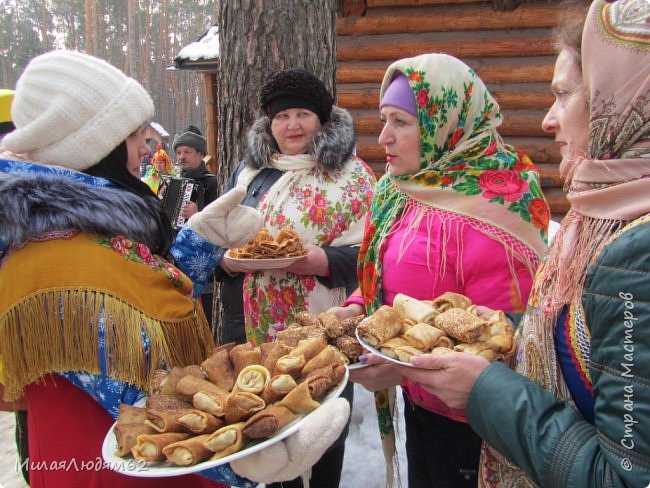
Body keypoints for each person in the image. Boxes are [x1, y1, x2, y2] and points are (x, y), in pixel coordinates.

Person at [0, 49, 349, 488]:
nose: (148, 146)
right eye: (135, 134)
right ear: (93, 146)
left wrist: (200, 242)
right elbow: (138, 398)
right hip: (108, 467)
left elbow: (140, 292)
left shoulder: (76, 230)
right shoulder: (56, 267)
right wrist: (239, 458)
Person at [395, 0, 650, 486]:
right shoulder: (597, 214)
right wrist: (429, 341)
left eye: (563, 95)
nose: (548, 121)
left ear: (620, 100)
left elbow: (627, 476)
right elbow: (561, 332)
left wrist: (487, 392)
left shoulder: (635, 254)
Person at [331, 53, 550, 487]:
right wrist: (357, 309)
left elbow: (501, 339)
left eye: (401, 123)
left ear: (444, 126)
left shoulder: (498, 203)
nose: (385, 137)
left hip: (474, 424)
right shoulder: (402, 190)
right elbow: (388, 277)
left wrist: (405, 368)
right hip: (420, 406)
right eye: (383, 120)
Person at [214, 67, 376, 487]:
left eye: (302, 114)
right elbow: (223, 237)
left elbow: (374, 254)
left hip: (324, 326)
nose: (292, 125)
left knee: (323, 424)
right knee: (270, 426)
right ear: (269, 123)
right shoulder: (251, 174)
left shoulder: (352, 176)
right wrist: (227, 262)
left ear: (322, 119)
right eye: (282, 116)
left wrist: (322, 261)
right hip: (256, 330)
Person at [172, 124, 220, 325]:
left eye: (187, 152)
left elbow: (219, 221)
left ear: (201, 155)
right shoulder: (173, 181)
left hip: (203, 257)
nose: (181, 156)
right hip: (177, 255)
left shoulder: (211, 183)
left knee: (205, 310)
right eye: (179, 152)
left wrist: (197, 214)